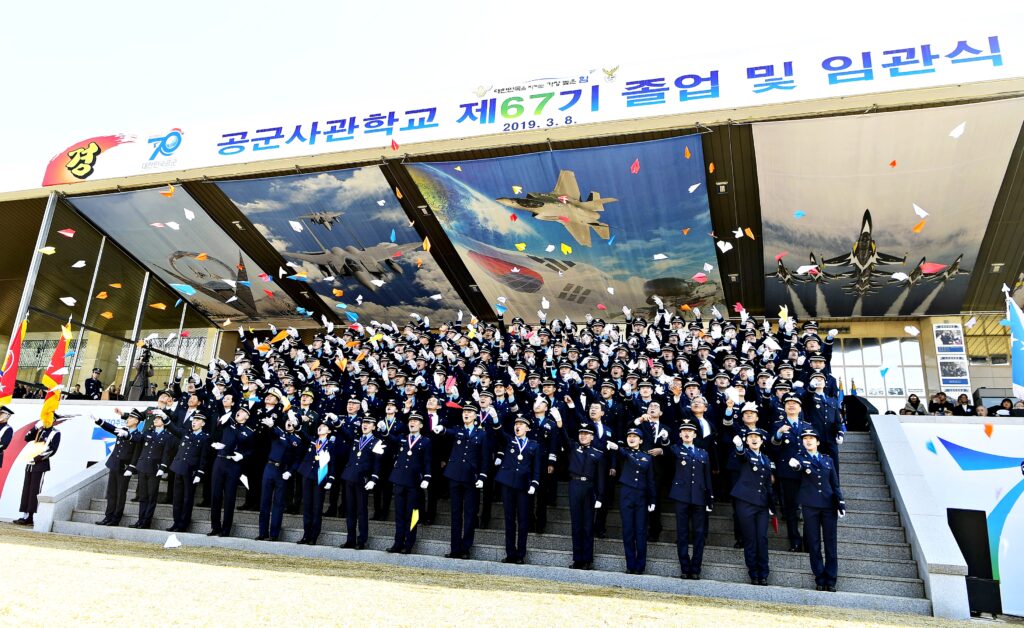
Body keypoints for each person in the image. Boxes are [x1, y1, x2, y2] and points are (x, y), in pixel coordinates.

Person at [789, 428, 845, 592]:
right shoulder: (800, 458)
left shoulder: (827, 460)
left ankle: (831, 579)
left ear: (818, 442)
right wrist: (795, 466)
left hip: (829, 506)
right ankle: (820, 578)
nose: (808, 441)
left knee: (830, 544)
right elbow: (797, 467)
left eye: (811, 438)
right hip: (810, 506)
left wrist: (840, 503)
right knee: (813, 543)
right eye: (805, 438)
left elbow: (835, 484)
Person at [433, 403, 490, 559]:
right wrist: (442, 429)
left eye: (470, 412)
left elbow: (485, 458)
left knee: (470, 514)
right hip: (455, 476)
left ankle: (465, 548)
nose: (466, 414)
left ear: (475, 416)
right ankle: (455, 548)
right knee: (455, 514)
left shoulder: (481, 434)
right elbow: (449, 432)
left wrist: (483, 475)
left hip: (471, 477)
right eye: (465, 411)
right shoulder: (458, 430)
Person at [605, 427, 656, 575]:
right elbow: (624, 455)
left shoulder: (647, 457)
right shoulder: (624, 453)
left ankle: (640, 566)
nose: (631, 438)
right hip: (627, 493)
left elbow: (651, 480)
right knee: (628, 530)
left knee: (640, 531)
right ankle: (630, 564)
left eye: (635, 436)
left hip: (641, 495)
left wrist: (652, 499)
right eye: (629, 436)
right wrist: (617, 448)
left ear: (640, 440)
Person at [668, 418, 714, 580]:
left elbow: (707, 477)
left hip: (699, 497)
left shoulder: (703, 453)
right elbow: (667, 446)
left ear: (695, 434)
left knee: (699, 533)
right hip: (681, 496)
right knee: (682, 533)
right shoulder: (675, 449)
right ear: (680, 434)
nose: (687, 433)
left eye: (690, 431)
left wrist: (710, 498)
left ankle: (696, 568)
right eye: (684, 431)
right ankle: (684, 567)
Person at [494, 414, 542, 564]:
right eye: (516, 424)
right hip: (508, 484)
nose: (518, 426)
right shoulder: (510, 441)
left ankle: (520, 554)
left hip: (523, 486)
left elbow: (537, 467)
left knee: (523, 520)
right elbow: (499, 432)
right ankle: (510, 553)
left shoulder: (534, 445)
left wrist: (534, 483)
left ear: (527, 428)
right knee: (509, 520)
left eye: (521, 424)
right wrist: (496, 418)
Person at [771, 392, 813, 552]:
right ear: (784, 407)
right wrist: (779, 433)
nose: (791, 405)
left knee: (809, 508)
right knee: (790, 508)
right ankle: (794, 540)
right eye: (788, 403)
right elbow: (773, 447)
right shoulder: (778, 425)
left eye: (794, 403)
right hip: (787, 473)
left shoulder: (807, 426)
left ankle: (809, 542)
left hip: (807, 472)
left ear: (800, 407)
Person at [561, 421, 605, 570]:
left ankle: (587, 560)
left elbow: (600, 478)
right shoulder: (573, 448)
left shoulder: (598, 454)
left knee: (587, 526)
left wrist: (600, 497)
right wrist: (561, 423)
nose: (583, 436)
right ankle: (577, 559)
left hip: (589, 488)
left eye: (586, 434)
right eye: (581, 433)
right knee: (576, 526)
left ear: (592, 437)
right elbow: (565, 437)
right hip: (575, 485)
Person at [388, 413, 432, 554]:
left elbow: (427, 461)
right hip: (400, 480)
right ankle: (397, 543)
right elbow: (390, 439)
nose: (412, 423)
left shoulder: (425, 441)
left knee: (412, 514)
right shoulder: (403, 439)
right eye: (411, 421)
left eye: (415, 421)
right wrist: (383, 431)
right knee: (399, 514)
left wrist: (427, 477)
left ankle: (409, 544)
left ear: (421, 425)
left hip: (414, 482)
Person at [208, 406, 256, 538]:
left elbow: (251, 450)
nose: (239, 413)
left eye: (242, 412)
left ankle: (226, 529)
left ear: (246, 417)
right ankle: (215, 526)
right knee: (215, 495)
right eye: (239, 411)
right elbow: (218, 426)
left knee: (229, 497)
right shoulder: (228, 424)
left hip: (233, 464)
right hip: (220, 461)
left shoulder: (249, 432)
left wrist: (242, 455)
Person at [257, 413, 304, 541]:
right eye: (288, 420)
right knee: (264, 501)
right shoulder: (278, 432)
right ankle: (262, 532)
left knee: (278, 503)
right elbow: (273, 432)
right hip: (270, 467)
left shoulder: (297, 440)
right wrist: (272, 426)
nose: (289, 422)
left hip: (282, 471)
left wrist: (290, 471)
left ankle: (274, 534)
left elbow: (298, 459)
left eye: (292, 421)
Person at [93, 409, 143, 526]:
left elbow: (136, 454)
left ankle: (116, 518)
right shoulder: (123, 430)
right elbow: (110, 428)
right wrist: (98, 421)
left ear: (136, 421)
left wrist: (131, 468)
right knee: (111, 492)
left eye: (130, 418)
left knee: (121, 494)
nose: (128, 419)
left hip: (124, 468)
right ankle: (108, 516)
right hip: (114, 464)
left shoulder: (138, 436)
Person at [128, 410, 175, 529]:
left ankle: (146, 521)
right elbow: (137, 439)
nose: (155, 420)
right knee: (143, 496)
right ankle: (140, 520)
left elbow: (167, 453)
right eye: (155, 419)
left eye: (158, 419)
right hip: (143, 467)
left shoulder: (167, 436)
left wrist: (163, 467)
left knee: (151, 496)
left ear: (163, 421)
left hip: (155, 469)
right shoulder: (148, 432)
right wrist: (128, 434)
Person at [341, 416, 383, 550]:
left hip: (362, 479)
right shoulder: (356, 439)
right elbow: (345, 433)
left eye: (369, 423)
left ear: (374, 427)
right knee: (350, 510)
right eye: (364, 422)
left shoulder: (376, 441)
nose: (365, 425)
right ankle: (350, 540)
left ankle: (361, 540)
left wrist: (374, 479)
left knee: (361, 511)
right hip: (349, 477)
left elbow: (377, 463)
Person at [165, 412, 211, 532]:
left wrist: (200, 473)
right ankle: (176, 522)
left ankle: (183, 524)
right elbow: (174, 429)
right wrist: (165, 419)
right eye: (193, 420)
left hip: (191, 471)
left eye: (197, 420)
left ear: (203, 423)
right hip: (179, 467)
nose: (194, 422)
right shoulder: (186, 432)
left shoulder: (205, 437)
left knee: (187, 499)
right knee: (177, 497)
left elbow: (204, 457)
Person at [13, 418, 62, 526]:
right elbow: (27, 438)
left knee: (35, 489)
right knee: (26, 489)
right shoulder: (39, 429)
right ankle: (25, 515)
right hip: (30, 463)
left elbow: (52, 449)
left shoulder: (55, 433)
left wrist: (37, 458)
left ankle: (31, 516)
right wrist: (35, 427)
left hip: (40, 463)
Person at [296, 422, 337, 545]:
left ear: (329, 431)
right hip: (308, 475)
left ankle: (314, 536)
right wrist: (297, 425)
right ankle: (306, 535)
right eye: (320, 426)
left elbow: (333, 464)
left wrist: (331, 479)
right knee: (307, 506)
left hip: (320, 476)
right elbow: (303, 434)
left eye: (324, 427)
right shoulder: (314, 441)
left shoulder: (331, 445)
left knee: (317, 507)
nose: (320, 427)